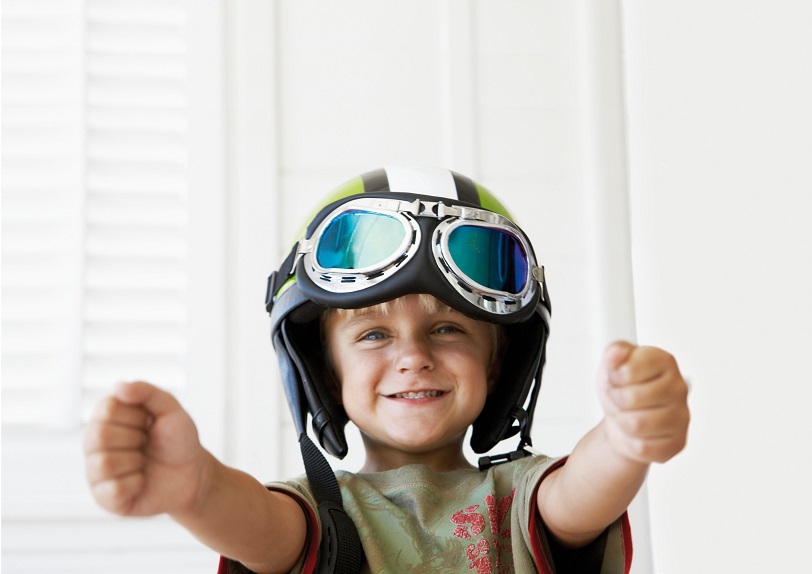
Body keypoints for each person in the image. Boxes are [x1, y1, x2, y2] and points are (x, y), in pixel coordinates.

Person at [83, 167, 690, 574]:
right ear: (325, 375)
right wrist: (197, 489)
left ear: (497, 362)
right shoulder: (315, 515)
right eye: (373, 335)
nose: (413, 357)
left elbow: (580, 494)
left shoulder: (520, 496)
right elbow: (258, 528)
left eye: (448, 329)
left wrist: (624, 438)